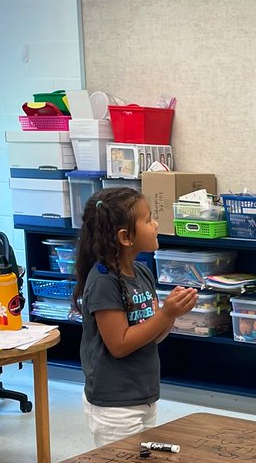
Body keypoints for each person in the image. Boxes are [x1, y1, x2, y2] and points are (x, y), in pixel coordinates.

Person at [72, 187, 196, 447]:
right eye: (149, 219)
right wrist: (165, 313)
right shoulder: (104, 282)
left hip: (143, 395)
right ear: (125, 237)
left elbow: (153, 335)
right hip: (115, 404)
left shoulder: (141, 273)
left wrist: (172, 314)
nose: (155, 224)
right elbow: (119, 345)